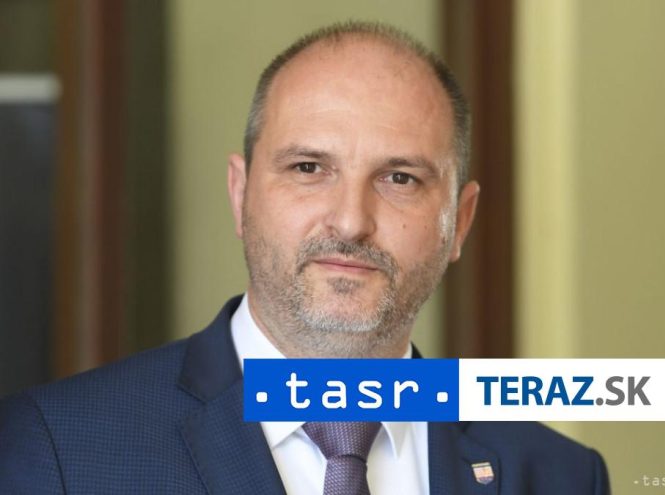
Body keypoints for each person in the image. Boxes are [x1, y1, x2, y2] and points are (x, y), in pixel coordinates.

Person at [0, 21, 610, 494]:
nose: (350, 221)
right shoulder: (56, 449)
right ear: (241, 195)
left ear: (460, 222)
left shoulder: (559, 475)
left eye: (399, 178)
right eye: (309, 168)